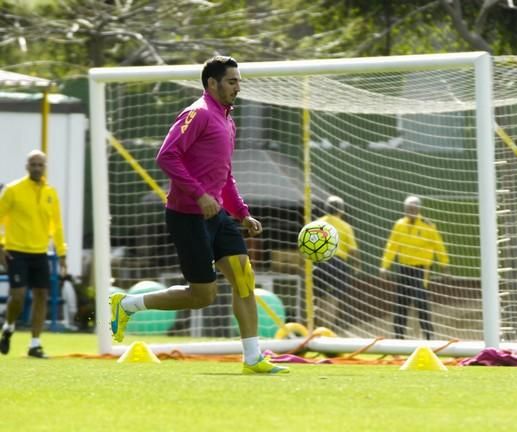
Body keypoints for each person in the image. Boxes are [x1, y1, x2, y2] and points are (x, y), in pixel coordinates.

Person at [109, 56, 288, 374]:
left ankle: (253, 359)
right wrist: (200, 194)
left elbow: (225, 174)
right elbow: (166, 156)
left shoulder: (228, 120)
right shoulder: (198, 113)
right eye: (231, 81)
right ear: (212, 83)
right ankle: (127, 305)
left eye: (238, 81)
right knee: (202, 295)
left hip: (218, 217)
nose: (237, 86)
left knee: (244, 280)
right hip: (187, 216)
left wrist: (242, 213)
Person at [0, 150, 68, 358]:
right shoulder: (13, 190)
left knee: (42, 296)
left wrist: (62, 254)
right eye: (33, 164)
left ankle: (35, 344)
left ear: (45, 166)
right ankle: (9, 326)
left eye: (40, 164)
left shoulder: (51, 193)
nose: (37, 168)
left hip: (40, 252)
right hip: (16, 251)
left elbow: (56, 226)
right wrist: (1, 246)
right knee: (18, 296)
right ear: (26, 166)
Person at [379, 195, 448, 340]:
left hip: (421, 270)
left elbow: (438, 246)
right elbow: (391, 246)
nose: (410, 210)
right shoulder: (399, 224)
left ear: (418, 209)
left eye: (413, 208)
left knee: (421, 301)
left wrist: (444, 264)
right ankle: (398, 337)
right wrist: (385, 266)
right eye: (408, 208)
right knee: (401, 302)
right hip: (404, 268)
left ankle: (429, 336)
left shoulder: (428, 226)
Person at [314, 195, 360, 333]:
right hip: (338, 263)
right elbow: (353, 250)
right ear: (341, 210)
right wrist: (357, 265)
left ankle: (316, 327)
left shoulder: (317, 224)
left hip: (319, 262)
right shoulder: (345, 226)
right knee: (334, 297)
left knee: (318, 297)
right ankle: (327, 328)